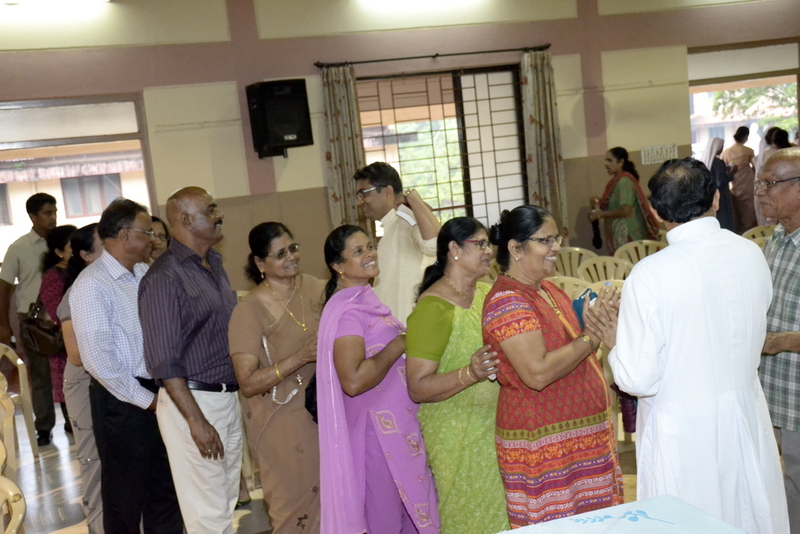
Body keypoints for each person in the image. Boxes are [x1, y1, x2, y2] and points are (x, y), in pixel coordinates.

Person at [608, 158, 788, 534]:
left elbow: (638, 379)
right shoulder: (751, 252)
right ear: (717, 199)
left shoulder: (650, 274)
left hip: (683, 431)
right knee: (748, 516)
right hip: (744, 415)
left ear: (656, 213)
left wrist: (615, 343)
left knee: (690, 521)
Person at [482, 205, 623, 527]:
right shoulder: (507, 300)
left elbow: (576, 348)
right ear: (516, 248)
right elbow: (538, 373)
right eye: (545, 240)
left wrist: (601, 319)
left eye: (556, 238)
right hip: (544, 446)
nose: (556, 247)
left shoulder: (548, 289)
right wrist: (591, 335)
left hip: (579, 440)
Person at [317, 225, 439, 534]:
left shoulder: (366, 302)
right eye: (358, 251)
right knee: (386, 522)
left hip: (399, 430)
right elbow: (353, 381)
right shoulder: (349, 313)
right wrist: (399, 343)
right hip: (378, 435)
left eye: (370, 246)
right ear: (338, 266)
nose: (370, 253)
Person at [70, 198, 183, 534]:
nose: (153, 239)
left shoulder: (145, 273)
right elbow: (98, 361)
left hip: (158, 390)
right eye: (146, 232)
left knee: (166, 488)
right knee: (125, 497)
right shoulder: (92, 284)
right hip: (121, 401)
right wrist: (150, 401)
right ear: (123, 235)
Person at [139, 187, 243, 534]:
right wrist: (196, 421)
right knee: (207, 515)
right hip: (193, 402)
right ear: (185, 219)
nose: (219, 215)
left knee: (224, 502)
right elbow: (163, 361)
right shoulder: (164, 277)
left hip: (225, 396)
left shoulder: (214, 264)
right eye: (210, 209)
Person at [405, 217, 508, 534]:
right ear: (454, 249)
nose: (488, 251)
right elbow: (417, 387)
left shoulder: (488, 294)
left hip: (498, 425)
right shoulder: (433, 307)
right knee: (469, 515)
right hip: (456, 433)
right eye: (480, 244)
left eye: (488, 243)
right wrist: (470, 373)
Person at [228, 222, 324, 534]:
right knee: (293, 510)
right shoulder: (249, 311)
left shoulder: (316, 288)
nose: (291, 257)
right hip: (280, 422)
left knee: (334, 502)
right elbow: (247, 382)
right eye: (280, 254)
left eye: (293, 248)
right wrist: (300, 357)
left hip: (324, 413)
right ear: (260, 263)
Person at [756, 147, 800, 533]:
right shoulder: (778, 238)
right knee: (782, 486)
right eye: (759, 184)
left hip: (797, 394)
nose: (760, 193)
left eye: (769, 184)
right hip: (774, 392)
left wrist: (781, 341)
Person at [0, 192, 58, 446]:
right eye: (47, 213)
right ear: (33, 216)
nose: (53, 217)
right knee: (40, 375)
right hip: (33, 320)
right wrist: (4, 325)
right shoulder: (19, 247)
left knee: (69, 372)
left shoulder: (62, 242)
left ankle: (74, 420)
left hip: (61, 316)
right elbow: (3, 288)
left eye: (54, 212)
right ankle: (44, 427)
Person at [58, 223, 105, 534]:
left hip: (108, 384)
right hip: (85, 384)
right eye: (105, 244)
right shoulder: (77, 292)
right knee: (95, 461)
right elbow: (76, 355)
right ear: (86, 255)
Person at [354, 162, 440, 324]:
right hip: (395, 330)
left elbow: (435, 244)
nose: (360, 202)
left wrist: (413, 199)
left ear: (387, 191)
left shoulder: (406, 216)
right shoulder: (393, 225)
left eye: (364, 193)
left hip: (410, 327)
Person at [38, 224, 77, 434]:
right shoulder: (53, 276)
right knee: (70, 393)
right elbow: (57, 312)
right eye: (72, 246)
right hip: (64, 345)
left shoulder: (79, 269)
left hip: (79, 341)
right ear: (59, 252)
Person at [587, 147, 659, 254]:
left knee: (628, 264)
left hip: (629, 236)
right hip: (620, 237)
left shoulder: (624, 182)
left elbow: (625, 211)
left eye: (610, 160)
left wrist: (601, 214)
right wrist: (598, 202)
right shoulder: (615, 182)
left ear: (620, 162)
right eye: (606, 160)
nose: (606, 164)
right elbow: (612, 205)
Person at [721, 126, 757, 233]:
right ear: (745, 137)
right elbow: (755, 167)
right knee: (749, 209)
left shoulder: (727, 151)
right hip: (748, 181)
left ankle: (740, 231)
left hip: (735, 183)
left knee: (738, 209)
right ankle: (749, 230)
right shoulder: (748, 151)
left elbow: (724, 167)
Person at [701, 137, 735, 232]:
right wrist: (730, 174)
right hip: (721, 195)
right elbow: (721, 181)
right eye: (721, 146)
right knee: (724, 218)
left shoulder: (705, 161)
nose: (722, 149)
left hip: (710, 195)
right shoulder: (718, 162)